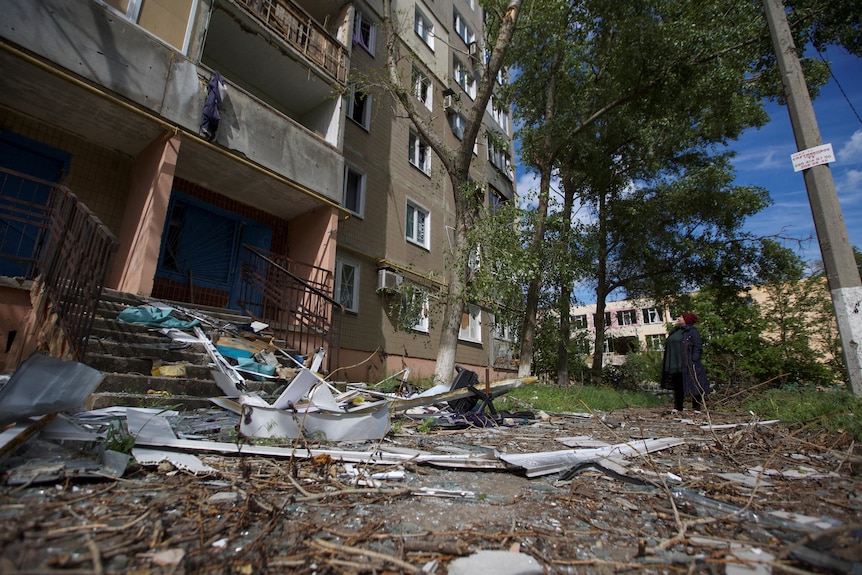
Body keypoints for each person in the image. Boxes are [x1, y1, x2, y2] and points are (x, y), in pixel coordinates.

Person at [661, 312, 710, 414]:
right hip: (674, 362)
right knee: (677, 385)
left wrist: (694, 360)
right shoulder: (675, 331)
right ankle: (678, 407)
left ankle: (696, 408)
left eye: (681, 317)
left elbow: (698, 346)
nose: (678, 319)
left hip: (688, 363)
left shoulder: (692, 331)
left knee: (694, 384)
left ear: (687, 320)